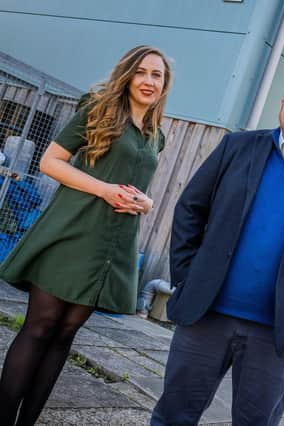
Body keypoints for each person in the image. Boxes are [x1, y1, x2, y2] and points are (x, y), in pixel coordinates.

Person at [151, 75, 284, 425]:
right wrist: (187, 275)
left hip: (277, 333)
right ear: (282, 105)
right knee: (173, 416)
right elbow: (190, 208)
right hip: (206, 316)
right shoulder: (236, 147)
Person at [0, 45, 172, 425]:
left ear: (165, 84)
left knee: (65, 337)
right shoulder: (99, 111)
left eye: (156, 75)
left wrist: (146, 203)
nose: (148, 81)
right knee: (40, 327)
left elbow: (138, 185)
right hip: (72, 231)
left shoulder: (155, 134)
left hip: (109, 247)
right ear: (127, 75)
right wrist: (104, 190)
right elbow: (50, 162)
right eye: (141, 72)